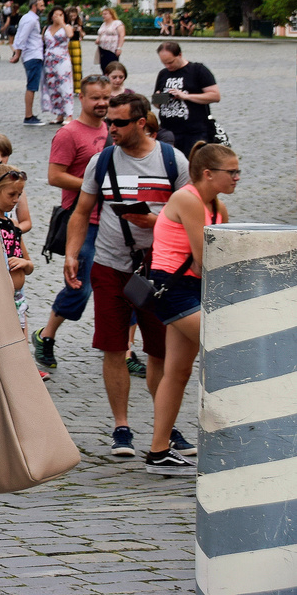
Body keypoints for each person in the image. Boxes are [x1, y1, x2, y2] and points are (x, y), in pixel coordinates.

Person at [60, 91, 186, 459]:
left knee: (161, 352)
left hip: (162, 270)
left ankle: (167, 426)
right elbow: (81, 212)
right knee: (113, 347)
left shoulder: (170, 160)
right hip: (111, 267)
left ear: (141, 123)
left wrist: (156, 221)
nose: (109, 128)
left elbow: (193, 213)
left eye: (118, 122)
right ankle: (121, 427)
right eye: (108, 122)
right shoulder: (102, 162)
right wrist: (72, 253)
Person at [144, 143, 237, 475]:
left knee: (178, 372)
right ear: (208, 174)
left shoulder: (218, 207)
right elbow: (205, 258)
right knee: (229, 352)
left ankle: (158, 451)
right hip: (172, 288)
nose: (237, 177)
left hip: (191, 289)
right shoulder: (187, 198)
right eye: (232, 172)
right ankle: (232, 440)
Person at [31, 74, 112, 372]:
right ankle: (46, 334)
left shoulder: (114, 128)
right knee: (80, 287)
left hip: (115, 221)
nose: (102, 103)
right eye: (95, 98)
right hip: (84, 220)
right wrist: (94, 185)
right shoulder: (69, 134)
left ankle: (123, 350)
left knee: (123, 285)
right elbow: (55, 176)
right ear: (82, 98)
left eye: (106, 97)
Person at [0, 164, 35, 338]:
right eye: (11, 194)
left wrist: (25, 263)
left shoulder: (13, 225)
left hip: (18, 298)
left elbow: (29, 266)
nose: (16, 200)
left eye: (19, 195)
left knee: (20, 340)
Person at [154, 42, 221, 158]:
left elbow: (215, 96)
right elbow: (157, 104)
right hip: (168, 131)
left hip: (194, 132)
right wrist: (160, 97)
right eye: (164, 63)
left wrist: (186, 96)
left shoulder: (197, 70)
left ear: (179, 55)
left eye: (171, 62)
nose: (168, 66)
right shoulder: (163, 74)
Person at [11, 0, 46, 124]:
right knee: (32, 86)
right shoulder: (31, 20)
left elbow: (18, 36)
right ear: (34, 6)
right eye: (41, 6)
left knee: (32, 86)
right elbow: (22, 38)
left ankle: (29, 114)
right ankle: (28, 116)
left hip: (31, 55)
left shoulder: (27, 18)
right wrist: (17, 54)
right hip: (33, 55)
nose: (43, 8)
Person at [41, 8, 77, 125]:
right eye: (55, 14)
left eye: (60, 14)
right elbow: (42, 42)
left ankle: (69, 114)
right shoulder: (47, 28)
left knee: (65, 86)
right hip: (49, 60)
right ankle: (59, 114)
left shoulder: (66, 27)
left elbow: (70, 34)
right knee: (53, 87)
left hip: (62, 59)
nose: (57, 17)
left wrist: (62, 22)